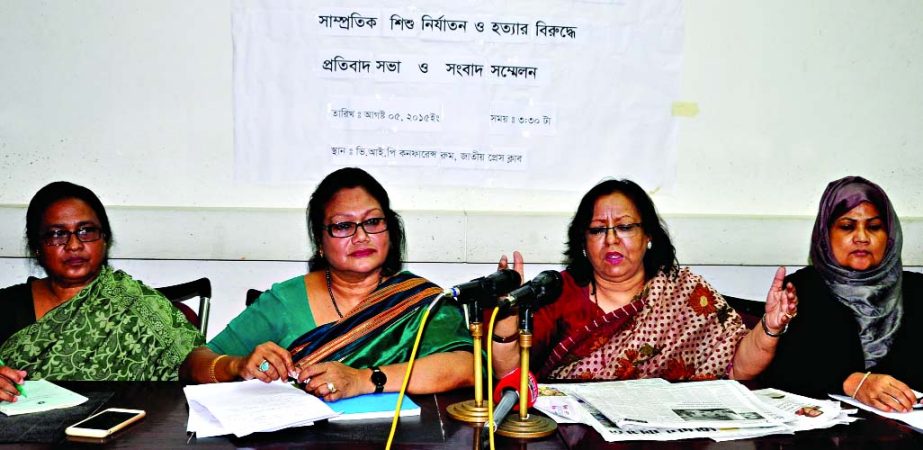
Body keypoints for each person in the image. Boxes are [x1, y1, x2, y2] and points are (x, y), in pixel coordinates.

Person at [180, 168, 473, 401]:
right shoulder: (285, 301)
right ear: (320, 242)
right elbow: (194, 364)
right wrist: (237, 365)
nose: (361, 236)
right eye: (343, 226)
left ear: (390, 231)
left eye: (372, 222)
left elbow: (468, 367)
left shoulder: (418, 300)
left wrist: (362, 380)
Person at [491, 179, 797, 381]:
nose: (611, 240)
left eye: (624, 227)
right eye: (597, 230)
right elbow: (511, 375)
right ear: (583, 244)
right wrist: (506, 319)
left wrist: (769, 328)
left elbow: (739, 367)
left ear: (648, 235)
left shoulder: (684, 293)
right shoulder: (560, 294)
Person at [0, 181, 204, 402]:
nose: (74, 245)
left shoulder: (137, 304)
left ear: (105, 239)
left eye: (86, 231)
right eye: (57, 234)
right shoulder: (6, 305)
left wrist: (231, 365)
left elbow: (192, 360)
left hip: (123, 431)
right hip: (22, 434)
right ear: (37, 247)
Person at [758, 176, 922, 412]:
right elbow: (783, 371)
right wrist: (853, 382)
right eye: (847, 226)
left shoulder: (918, 292)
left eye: (874, 227)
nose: (862, 238)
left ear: (890, 236)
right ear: (826, 235)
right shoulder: (802, 289)